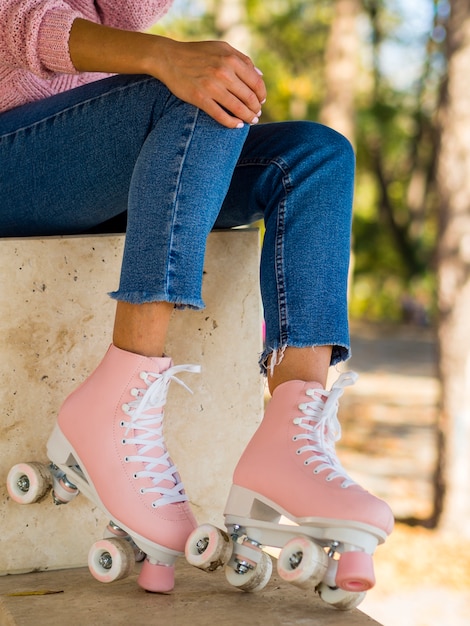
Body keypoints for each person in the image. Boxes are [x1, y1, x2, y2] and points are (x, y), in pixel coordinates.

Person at [1, 0, 393, 598]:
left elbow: (123, 10)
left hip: (88, 148)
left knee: (316, 158)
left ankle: (290, 434)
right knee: (199, 86)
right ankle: (117, 398)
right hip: (15, 153)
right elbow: (17, 24)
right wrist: (165, 56)